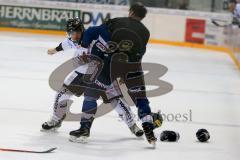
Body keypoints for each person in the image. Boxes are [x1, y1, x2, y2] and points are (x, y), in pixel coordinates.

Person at [69, 3, 162, 146]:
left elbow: (95, 31)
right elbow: (140, 52)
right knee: (141, 99)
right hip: (132, 66)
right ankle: (149, 129)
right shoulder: (146, 32)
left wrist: (85, 44)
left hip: (110, 65)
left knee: (91, 94)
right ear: (142, 17)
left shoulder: (117, 21)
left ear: (130, 12)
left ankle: (84, 129)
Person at [41, 17, 145, 140]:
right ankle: (56, 120)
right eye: (71, 33)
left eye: (75, 33)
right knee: (61, 94)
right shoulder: (73, 40)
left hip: (101, 74)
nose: (73, 36)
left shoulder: (96, 38)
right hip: (80, 74)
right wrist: (54, 50)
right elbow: (65, 44)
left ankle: (132, 125)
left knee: (116, 100)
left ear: (81, 30)